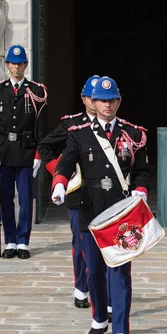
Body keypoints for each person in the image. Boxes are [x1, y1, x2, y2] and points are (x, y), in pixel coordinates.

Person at [50, 76, 151, 334]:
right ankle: (99, 318)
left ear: (118, 102)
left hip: (120, 211)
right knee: (93, 271)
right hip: (90, 209)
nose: (107, 105)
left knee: (119, 272)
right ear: (93, 103)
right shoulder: (79, 133)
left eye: (112, 100)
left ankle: (120, 331)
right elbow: (67, 162)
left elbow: (142, 169)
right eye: (102, 100)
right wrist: (59, 183)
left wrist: (141, 189)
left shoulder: (132, 133)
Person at [38, 75, 101, 309]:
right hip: (78, 193)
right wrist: (60, 175)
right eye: (92, 98)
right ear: (84, 99)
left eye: (100, 98)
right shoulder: (71, 124)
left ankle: (101, 290)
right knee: (81, 243)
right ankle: (81, 289)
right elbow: (45, 146)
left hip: (105, 194)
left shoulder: (114, 125)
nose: (97, 102)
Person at [0, 44, 48, 260]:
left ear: (26, 65)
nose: (17, 67)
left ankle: (23, 242)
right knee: (4, 199)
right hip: (3, 152)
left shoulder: (37, 91)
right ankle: (10, 240)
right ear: (7, 65)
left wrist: (39, 155)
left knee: (26, 200)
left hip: (26, 152)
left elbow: (41, 127)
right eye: (13, 63)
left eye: (21, 64)